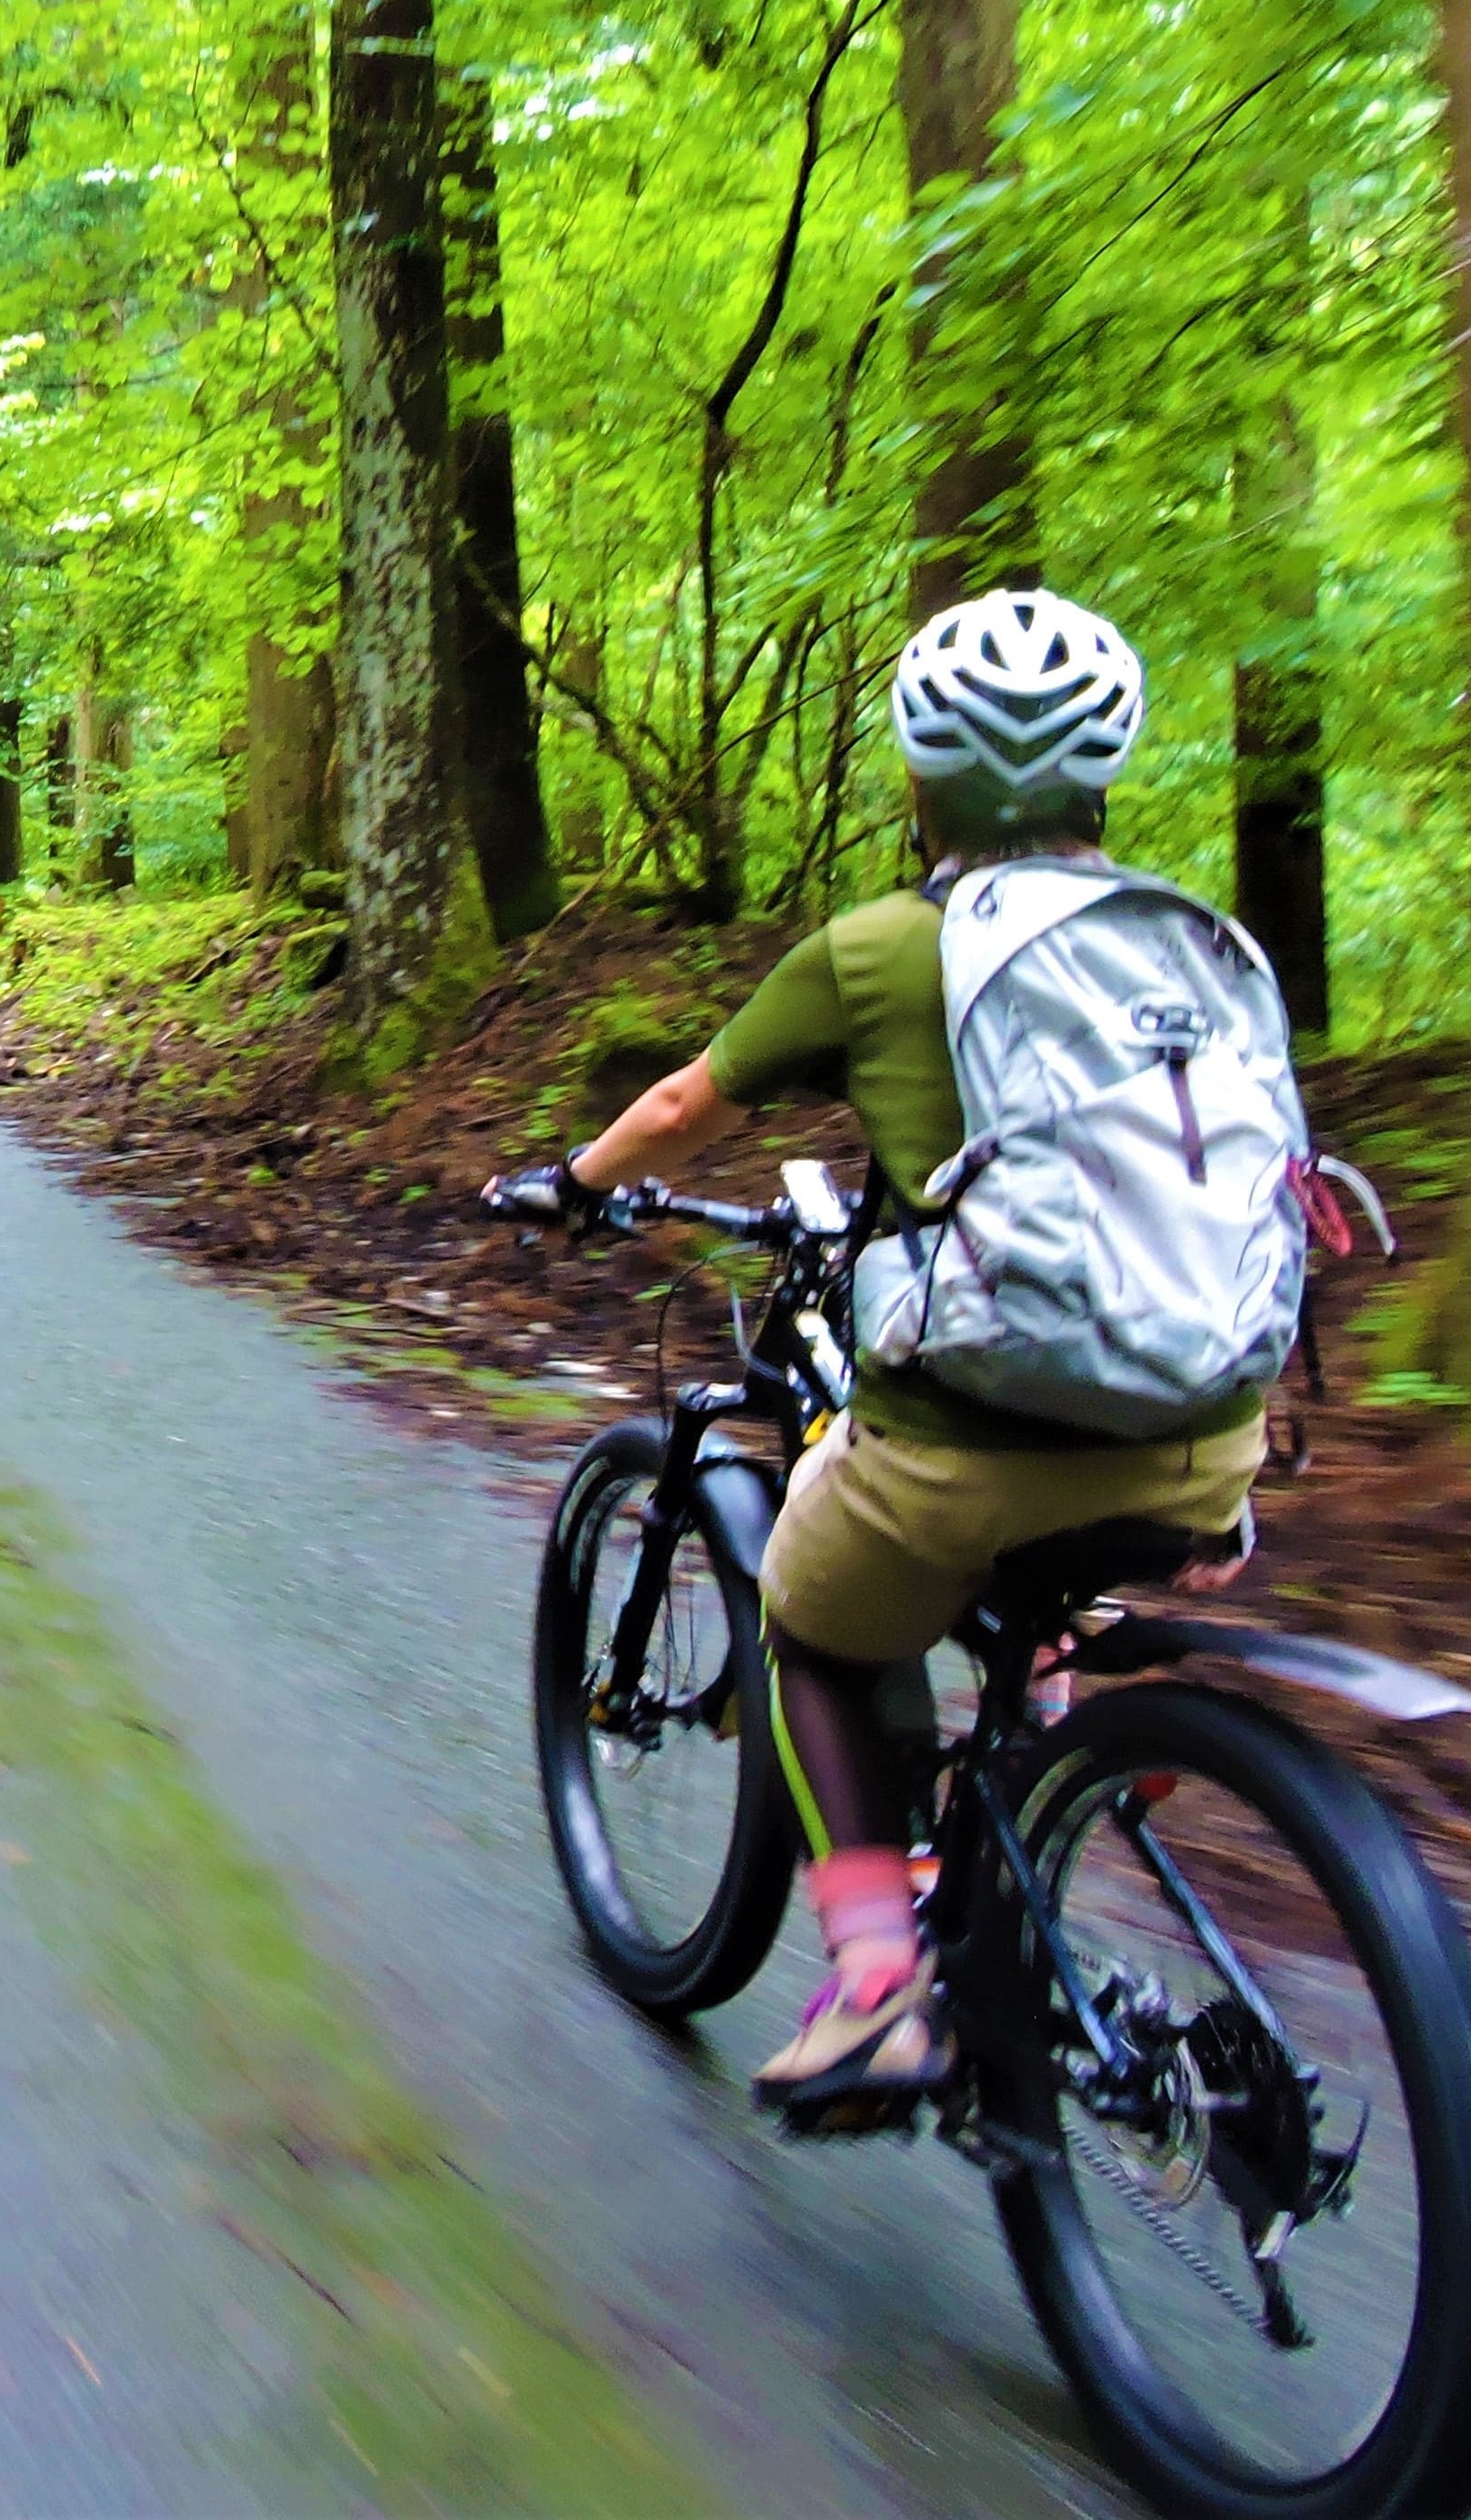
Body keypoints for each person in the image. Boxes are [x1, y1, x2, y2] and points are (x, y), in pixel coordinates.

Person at [491, 590, 1271, 2120]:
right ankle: (1047, 1763)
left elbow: (675, 1113)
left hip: (976, 1436)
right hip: (1209, 1430)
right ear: (1102, 778)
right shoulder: (1197, 946)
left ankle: (874, 1985)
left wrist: (569, 1186)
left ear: (919, 780)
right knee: (1031, 1563)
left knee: (814, 1617)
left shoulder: (878, 949)